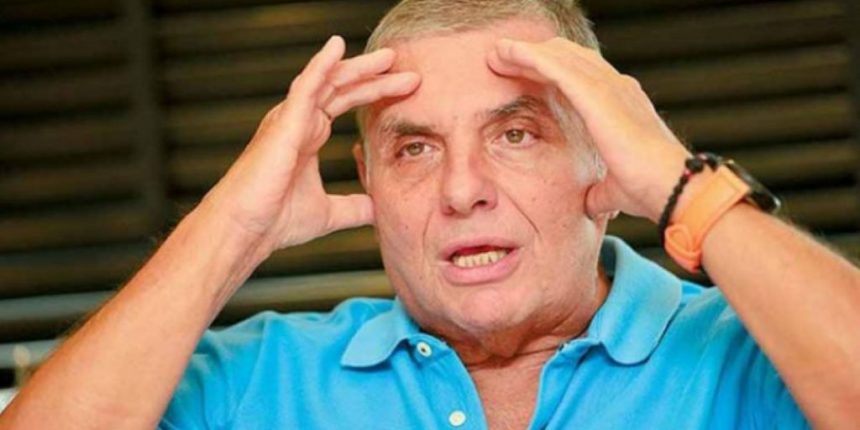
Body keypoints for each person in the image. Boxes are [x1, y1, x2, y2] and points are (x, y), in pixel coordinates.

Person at [2, 0, 859, 428]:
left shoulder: (753, 352)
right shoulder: (254, 378)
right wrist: (232, 226)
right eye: (414, 148)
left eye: (515, 134)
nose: (461, 189)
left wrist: (682, 184)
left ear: (605, 155)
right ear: (367, 179)